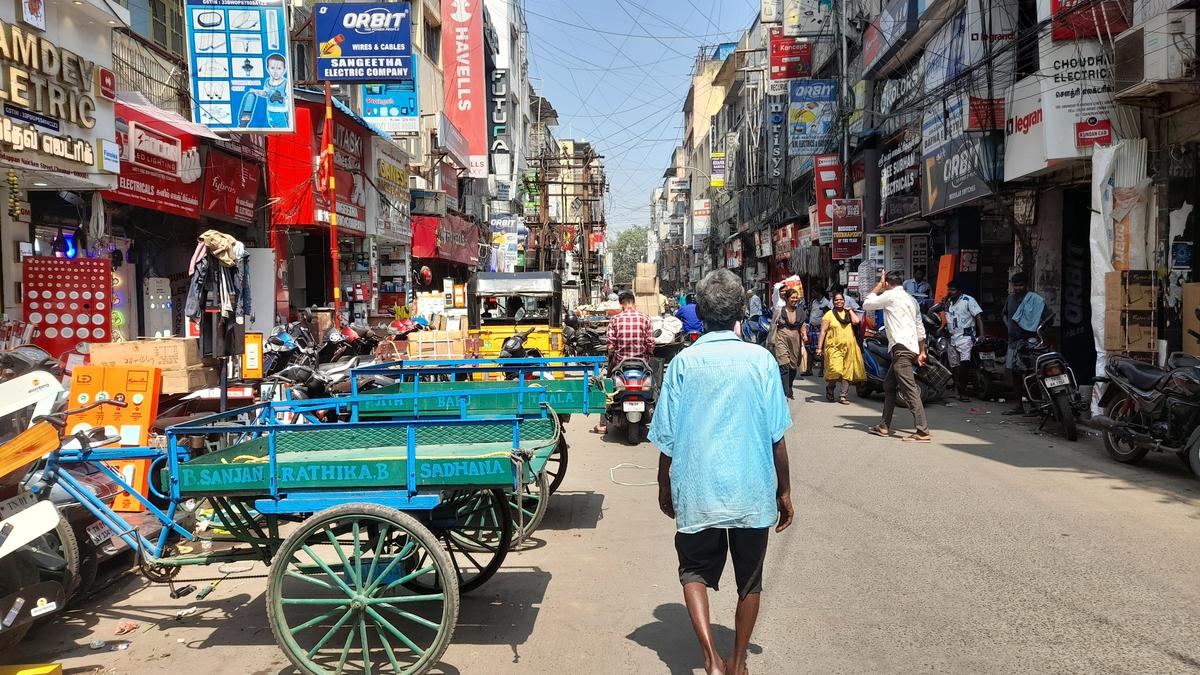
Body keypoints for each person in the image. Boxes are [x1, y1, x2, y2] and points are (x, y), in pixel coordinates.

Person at [649, 268, 793, 675]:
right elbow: (776, 439)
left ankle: (710, 658)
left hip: (698, 488)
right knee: (750, 579)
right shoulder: (761, 361)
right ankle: (737, 661)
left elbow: (667, 439)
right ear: (739, 315)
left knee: (692, 570)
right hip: (752, 488)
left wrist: (665, 487)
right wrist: (784, 492)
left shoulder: (683, 363)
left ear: (701, 314)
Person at [863, 270, 931, 442]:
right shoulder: (911, 299)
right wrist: (922, 351)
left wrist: (879, 284)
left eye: (884, 283)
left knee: (909, 390)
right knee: (888, 385)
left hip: (900, 349)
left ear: (887, 283)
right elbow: (919, 327)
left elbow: (867, 303)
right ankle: (884, 425)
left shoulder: (890, 295)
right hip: (910, 348)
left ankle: (922, 431)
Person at [593, 290, 656, 434]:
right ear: (634, 303)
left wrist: (613, 351)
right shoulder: (645, 318)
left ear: (621, 305)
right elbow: (651, 343)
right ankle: (658, 420)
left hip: (620, 364)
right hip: (642, 364)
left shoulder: (615, 320)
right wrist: (648, 352)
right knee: (655, 386)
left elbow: (610, 345)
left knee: (607, 387)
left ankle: (602, 424)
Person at [1002, 272, 1052, 415]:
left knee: (1033, 373)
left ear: (1026, 285)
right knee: (1016, 374)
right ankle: (1018, 405)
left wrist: (1039, 330)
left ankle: (1036, 405)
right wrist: (1009, 327)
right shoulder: (1010, 298)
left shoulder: (1035, 300)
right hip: (1013, 342)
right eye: (1015, 285)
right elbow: (1004, 314)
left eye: (1020, 285)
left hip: (1031, 341)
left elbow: (1048, 319)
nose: (1017, 288)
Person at [816, 292, 866, 404]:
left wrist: (850, 310)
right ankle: (830, 387)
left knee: (847, 371)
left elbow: (856, 321)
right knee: (836, 370)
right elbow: (823, 331)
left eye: (841, 300)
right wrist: (819, 348)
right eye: (836, 300)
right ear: (833, 302)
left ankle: (843, 396)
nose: (839, 302)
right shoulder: (828, 314)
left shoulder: (848, 313)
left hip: (849, 346)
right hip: (833, 347)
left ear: (844, 301)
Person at [945, 279, 985, 402]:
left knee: (964, 364)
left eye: (953, 289)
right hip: (952, 337)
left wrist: (982, 334)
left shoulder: (968, 300)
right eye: (949, 289)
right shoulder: (948, 303)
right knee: (954, 365)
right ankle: (958, 388)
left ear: (959, 290)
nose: (951, 292)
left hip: (966, 336)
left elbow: (978, 316)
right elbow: (949, 318)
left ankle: (962, 390)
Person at [768, 288, 806, 399]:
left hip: (795, 340)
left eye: (796, 297)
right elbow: (773, 327)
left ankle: (789, 386)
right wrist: (770, 342)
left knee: (793, 367)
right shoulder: (779, 311)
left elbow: (802, 326)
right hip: (781, 339)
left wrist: (804, 335)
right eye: (792, 297)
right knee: (783, 365)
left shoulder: (800, 312)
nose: (795, 299)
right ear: (786, 299)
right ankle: (784, 393)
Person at [804, 288, 831, 376]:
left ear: (818, 292)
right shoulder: (814, 302)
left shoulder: (826, 303)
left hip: (820, 328)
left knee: (822, 349)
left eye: (813, 291)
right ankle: (809, 370)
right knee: (809, 349)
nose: (812, 293)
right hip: (812, 327)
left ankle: (822, 370)